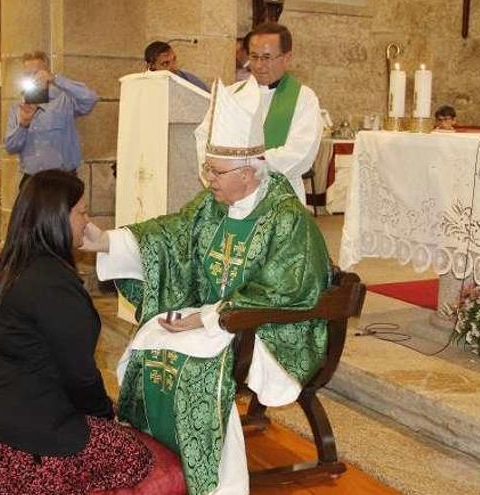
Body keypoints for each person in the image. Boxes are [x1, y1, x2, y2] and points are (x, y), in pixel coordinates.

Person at [82, 78, 333, 495]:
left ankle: (219, 484)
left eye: (216, 172)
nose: (208, 180)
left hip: (269, 330)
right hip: (220, 318)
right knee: (151, 342)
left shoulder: (287, 217)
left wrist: (208, 317)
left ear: (250, 172)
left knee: (196, 367)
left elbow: (287, 289)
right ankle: (160, 460)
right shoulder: (213, 204)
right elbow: (170, 235)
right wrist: (107, 241)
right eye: (208, 169)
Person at [0, 170, 185, 494]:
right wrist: (105, 416)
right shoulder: (55, 285)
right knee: (135, 456)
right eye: (82, 212)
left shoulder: (9, 267)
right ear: (57, 217)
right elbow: (79, 377)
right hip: (19, 449)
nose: (88, 223)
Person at [195, 22, 322, 204]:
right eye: (254, 57)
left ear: (287, 57)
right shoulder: (230, 95)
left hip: (280, 199)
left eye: (267, 57)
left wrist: (246, 168)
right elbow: (204, 136)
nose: (260, 65)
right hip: (230, 198)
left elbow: (301, 153)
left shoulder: (303, 98)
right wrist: (215, 172)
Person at [4, 51, 98, 186]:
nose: (33, 79)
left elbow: (91, 98)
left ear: (46, 73)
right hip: (32, 180)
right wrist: (23, 125)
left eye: (37, 73)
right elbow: (10, 147)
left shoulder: (64, 100)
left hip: (63, 179)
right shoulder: (17, 107)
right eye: (27, 75)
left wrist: (56, 79)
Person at [144, 41, 209, 92]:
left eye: (174, 60)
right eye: (165, 63)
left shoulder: (188, 80)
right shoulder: (142, 87)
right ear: (151, 66)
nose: (174, 67)